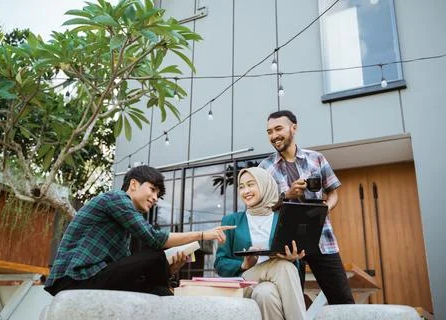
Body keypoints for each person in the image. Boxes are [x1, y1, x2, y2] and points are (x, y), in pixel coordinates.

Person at [44, 165, 234, 296]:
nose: (154, 198)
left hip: (93, 277)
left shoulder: (123, 223)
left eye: (158, 195)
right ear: (133, 184)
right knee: (155, 255)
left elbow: (130, 269)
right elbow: (154, 239)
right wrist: (202, 235)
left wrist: (170, 269)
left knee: (156, 289)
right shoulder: (116, 199)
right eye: (152, 189)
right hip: (75, 278)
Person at [258, 110, 354, 304]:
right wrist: (287, 195)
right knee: (292, 303)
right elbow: (262, 208)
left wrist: (325, 209)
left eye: (278, 129)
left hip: (322, 237)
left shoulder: (316, 158)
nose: (274, 135)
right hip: (286, 244)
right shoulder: (263, 168)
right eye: (269, 131)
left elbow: (333, 192)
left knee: (343, 301)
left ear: (294, 128)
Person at [215, 167, 306, 320]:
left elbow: (293, 264)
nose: (246, 191)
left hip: (274, 285)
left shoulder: (283, 219)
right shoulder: (231, 221)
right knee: (283, 266)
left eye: (251, 184)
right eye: (242, 186)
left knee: (265, 293)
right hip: (245, 282)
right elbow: (220, 264)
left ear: (265, 185)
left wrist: (293, 258)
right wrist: (244, 265)